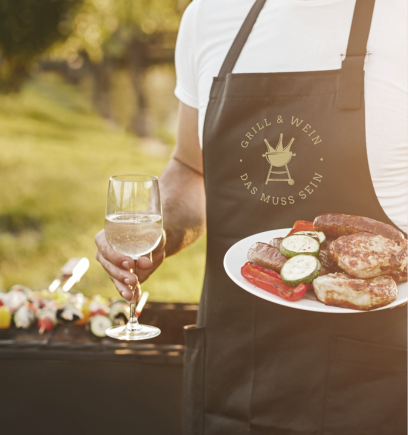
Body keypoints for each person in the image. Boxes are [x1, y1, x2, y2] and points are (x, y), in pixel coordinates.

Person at [95, 0, 407, 433]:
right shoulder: (209, 17)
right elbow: (190, 168)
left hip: (365, 386)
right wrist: (158, 229)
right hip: (231, 375)